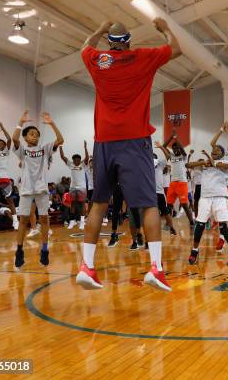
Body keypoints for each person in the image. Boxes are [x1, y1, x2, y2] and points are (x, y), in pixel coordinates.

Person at [76, 18, 181, 291]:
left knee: (98, 203)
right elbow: (176, 48)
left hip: (104, 140)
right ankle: (156, 268)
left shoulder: (97, 60)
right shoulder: (142, 57)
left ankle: (86, 266)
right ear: (129, 42)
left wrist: (99, 28)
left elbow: (84, 47)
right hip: (134, 141)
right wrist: (164, 28)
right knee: (148, 205)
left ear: (110, 43)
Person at [12, 111, 64, 268]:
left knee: (44, 219)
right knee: (23, 221)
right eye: (32, 134)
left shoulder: (45, 148)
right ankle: (19, 251)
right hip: (27, 189)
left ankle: (45, 250)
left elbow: (60, 140)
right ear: (26, 137)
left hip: (41, 189)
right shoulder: (22, 150)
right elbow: (14, 138)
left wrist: (52, 123)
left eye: (37, 135)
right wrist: (20, 122)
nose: (35, 136)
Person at [187, 147, 228, 266]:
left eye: (218, 150)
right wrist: (203, 162)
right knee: (199, 225)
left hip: (220, 197)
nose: (214, 151)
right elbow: (187, 165)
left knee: (223, 226)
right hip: (205, 198)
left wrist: (213, 162)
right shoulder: (204, 164)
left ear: (222, 154)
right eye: (213, 150)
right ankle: (194, 250)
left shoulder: (224, 162)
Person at [163, 132, 195, 231]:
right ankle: (168, 224)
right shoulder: (171, 157)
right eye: (174, 148)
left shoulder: (183, 156)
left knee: (185, 205)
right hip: (172, 183)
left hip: (182, 183)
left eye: (177, 148)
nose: (176, 149)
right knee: (168, 205)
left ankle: (192, 222)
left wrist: (176, 138)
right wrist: (171, 137)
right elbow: (164, 146)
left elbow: (181, 148)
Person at [59, 144, 87, 230]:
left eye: (77, 160)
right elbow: (63, 157)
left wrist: (85, 148)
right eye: (74, 160)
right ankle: (72, 221)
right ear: (73, 160)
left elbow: (87, 158)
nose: (76, 161)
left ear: (79, 160)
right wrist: (60, 147)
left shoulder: (83, 165)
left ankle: (82, 222)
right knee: (73, 204)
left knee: (82, 204)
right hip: (73, 187)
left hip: (82, 187)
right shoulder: (71, 165)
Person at [153, 141, 176, 235]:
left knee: (165, 212)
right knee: (151, 213)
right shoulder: (145, 166)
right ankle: (152, 230)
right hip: (149, 192)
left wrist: (161, 147)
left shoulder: (160, 165)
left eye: (154, 158)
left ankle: (172, 228)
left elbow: (168, 156)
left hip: (159, 192)